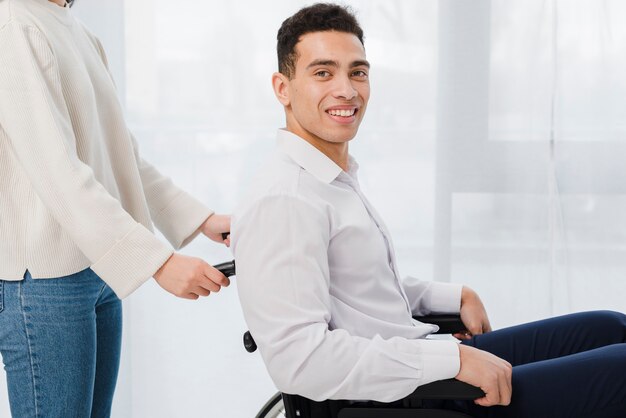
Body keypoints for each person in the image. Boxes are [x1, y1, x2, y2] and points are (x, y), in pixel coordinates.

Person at [232, 3, 626, 417]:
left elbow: (362, 292)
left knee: (609, 326)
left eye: (358, 72)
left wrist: (455, 296)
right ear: (282, 88)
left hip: (415, 362)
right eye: (323, 73)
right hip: (394, 395)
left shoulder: (329, 180)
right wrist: (452, 360)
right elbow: (301, 361)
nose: (346, 89)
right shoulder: (286, 198)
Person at [0, 0, 231, 416]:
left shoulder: (78, 30)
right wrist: (158, 263)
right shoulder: (13, 23)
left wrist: (201, 220)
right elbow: (58, 172)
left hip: (97, 270)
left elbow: (119, 154)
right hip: (45, 282)